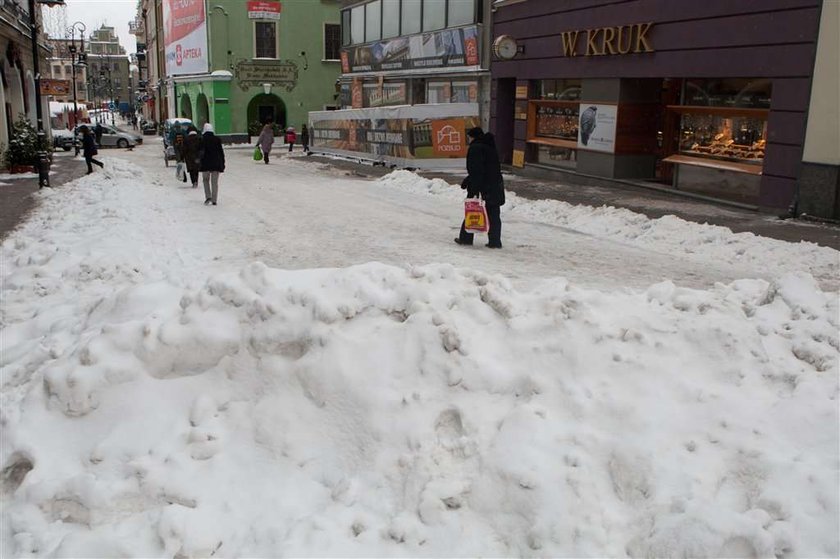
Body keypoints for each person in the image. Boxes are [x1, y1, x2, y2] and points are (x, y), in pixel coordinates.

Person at [455, 127, 505, 248]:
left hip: (483, 186)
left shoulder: (476, 148)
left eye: (469, 137)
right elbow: (488, 167)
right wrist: (468, 179)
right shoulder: (489, 146)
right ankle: (495, 241)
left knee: (472, 211)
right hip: (495, 184)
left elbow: (477, 170)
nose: (468, 139)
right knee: (494, 214)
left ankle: (466, 238)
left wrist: (473, 189)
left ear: (473, 137)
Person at [199, 123, 225, 205]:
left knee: (205, 180)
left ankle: (208, 196)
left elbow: (200, 152)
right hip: (216, 164)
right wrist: (222, 162)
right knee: (214, 182)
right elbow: (221, 152)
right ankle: (214, 200)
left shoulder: (202, 139)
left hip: (205, 164)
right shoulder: (217, 139)